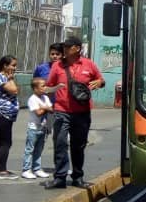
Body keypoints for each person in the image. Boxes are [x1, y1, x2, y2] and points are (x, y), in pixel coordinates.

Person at [44, 36, 105, 189]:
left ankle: (78, 176)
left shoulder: (88, 64)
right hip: (61, 111)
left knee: (78, 146)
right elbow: (48, 85)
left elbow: (100, 80)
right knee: (60, 143)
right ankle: (60, 177)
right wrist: (54, 90)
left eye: (67, 47)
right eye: (63, 47)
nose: (64, 49)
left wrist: (100, 83)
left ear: (77, 48)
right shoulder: (57, 66)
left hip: (82, 113)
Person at [0, 55, 19, 180]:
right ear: (5, 66)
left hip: (6, 114)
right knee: (6, 142)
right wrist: (11, 79)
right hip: (1, 114)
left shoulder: (3, 77)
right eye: (13, 65)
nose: (15, 68)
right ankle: (2, 170)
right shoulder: (0, 77)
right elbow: (14, 90)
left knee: (0, 141)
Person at [20, 77, 53, 180]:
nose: (45, 87)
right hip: (33, 128)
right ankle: (26, 170)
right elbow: (38, 113)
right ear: (35, 88)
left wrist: (43, 107)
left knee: (39, 149)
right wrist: (45, 108)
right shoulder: (32, 99)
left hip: (43, 128)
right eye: (42, 86)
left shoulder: (45, 98)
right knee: (29, 149)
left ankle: (37, 168)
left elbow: (51, 109)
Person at [33, 42, 64, 134]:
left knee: (60, 132)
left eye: (57, 54)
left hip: (61, 106)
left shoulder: (67, 69)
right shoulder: (41, 68)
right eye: (52, 54)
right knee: (42, 131)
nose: (54, 56)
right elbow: (35, 83)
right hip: (45, 105)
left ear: (62, 55)